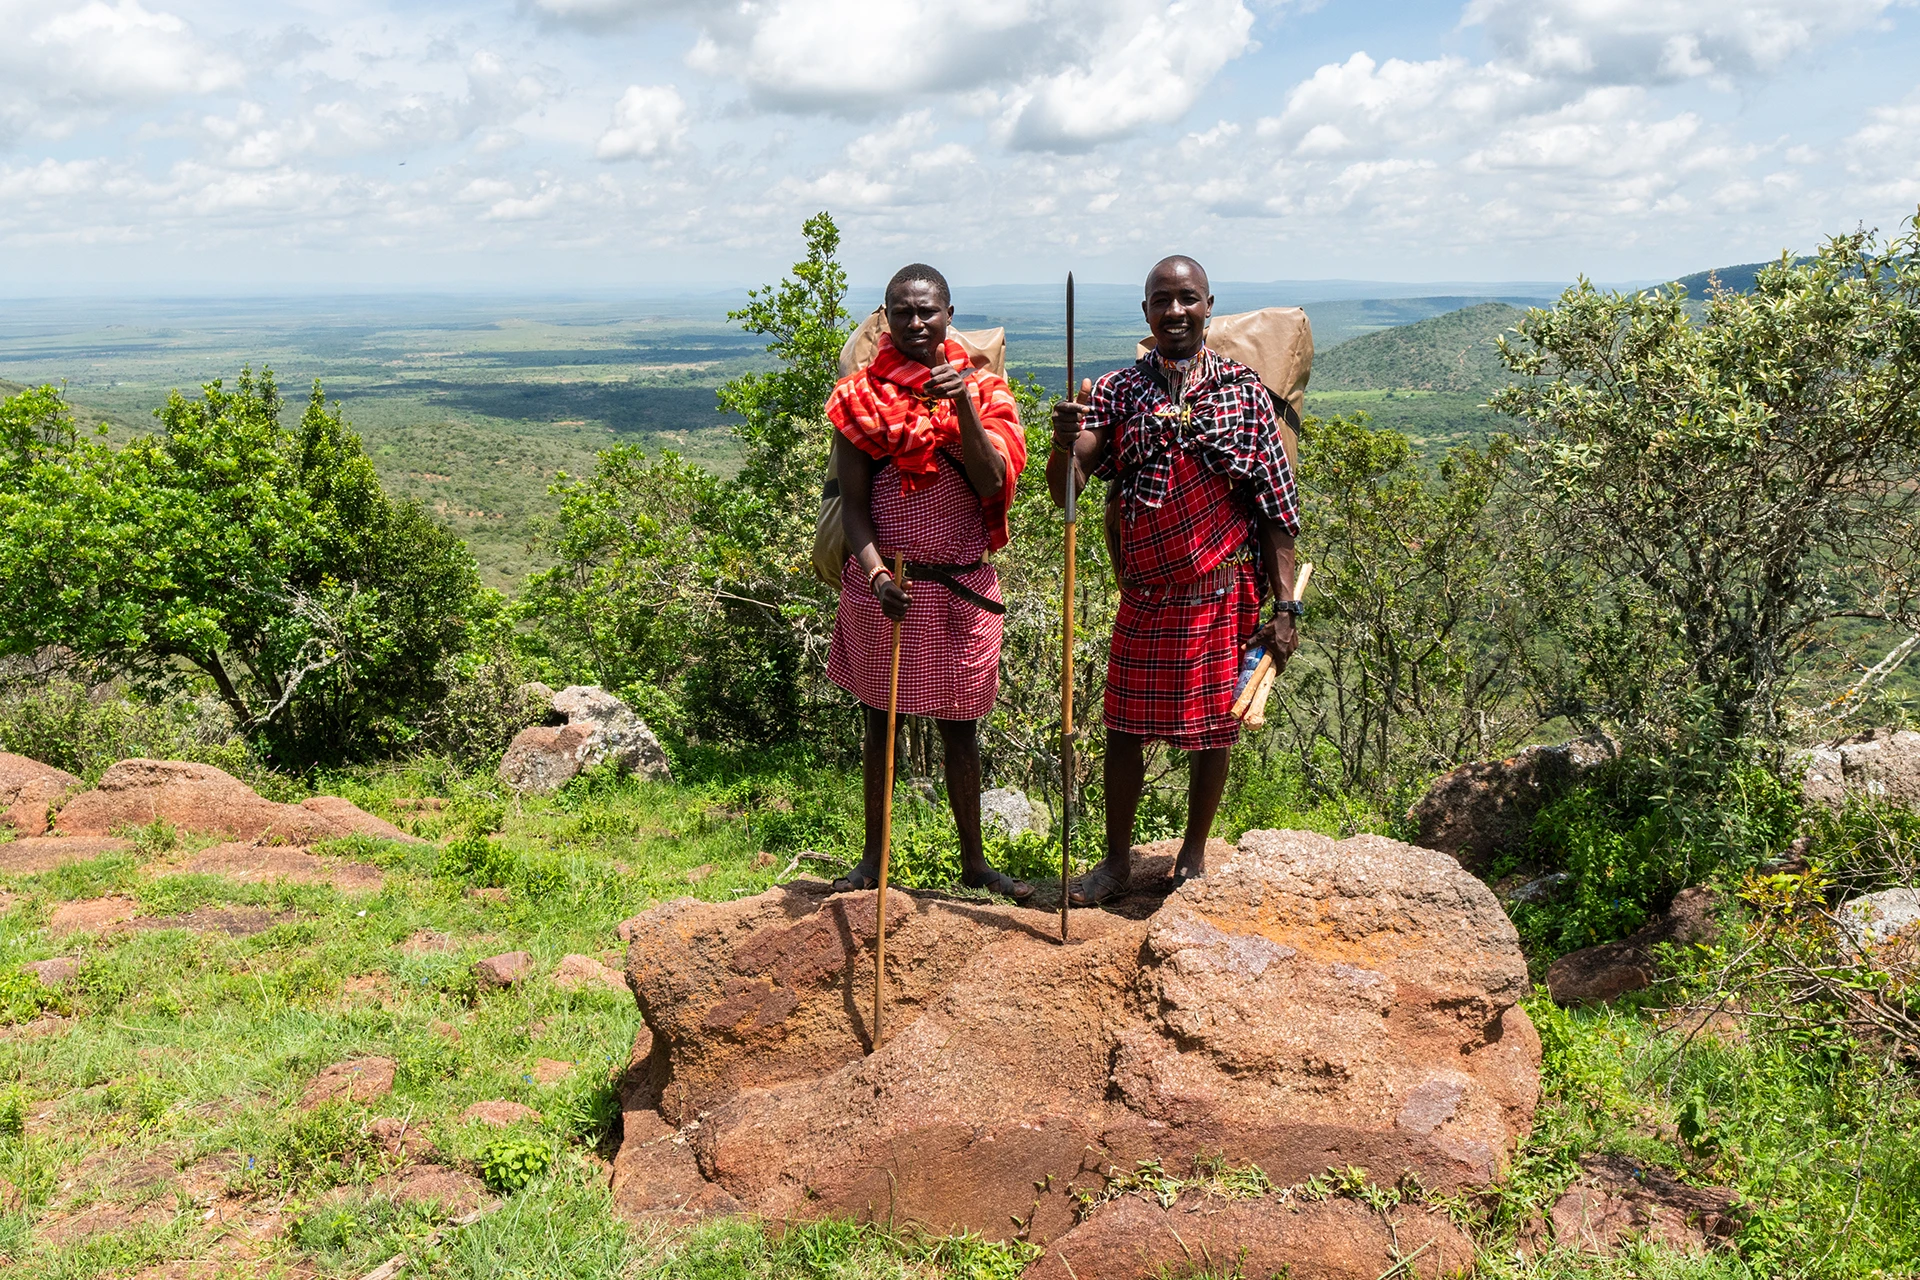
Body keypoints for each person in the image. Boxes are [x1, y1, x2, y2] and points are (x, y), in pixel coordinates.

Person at [1047, 255, 1302, 904]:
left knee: (1212, 730)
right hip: (1147, 596)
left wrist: (1285, 609)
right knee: (1123, 728)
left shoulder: (1244, 394)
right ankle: (1113, 865)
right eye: (1163, 300)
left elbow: (1275, 509)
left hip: (1220, 593)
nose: (1176, 311)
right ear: (1146, 313)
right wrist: (1062, 443)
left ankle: (1191, 856)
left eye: (1188, 298)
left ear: (1209, 304)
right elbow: (1067, 496)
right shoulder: (1114, 393)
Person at [825, 263, 1034, 900]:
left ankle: (975, 865)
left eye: (928, 312)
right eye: (901, 312)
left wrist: (962, 402)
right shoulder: (864, 399)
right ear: (885, 317)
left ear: (949, 315)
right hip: (886, 587)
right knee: (879, 723)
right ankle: (873, 862)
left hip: (962, 588)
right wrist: (876, 571)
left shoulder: (988, 391)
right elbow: (855, 509)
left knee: (961, 726)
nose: (915, 323)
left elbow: (992, 481)